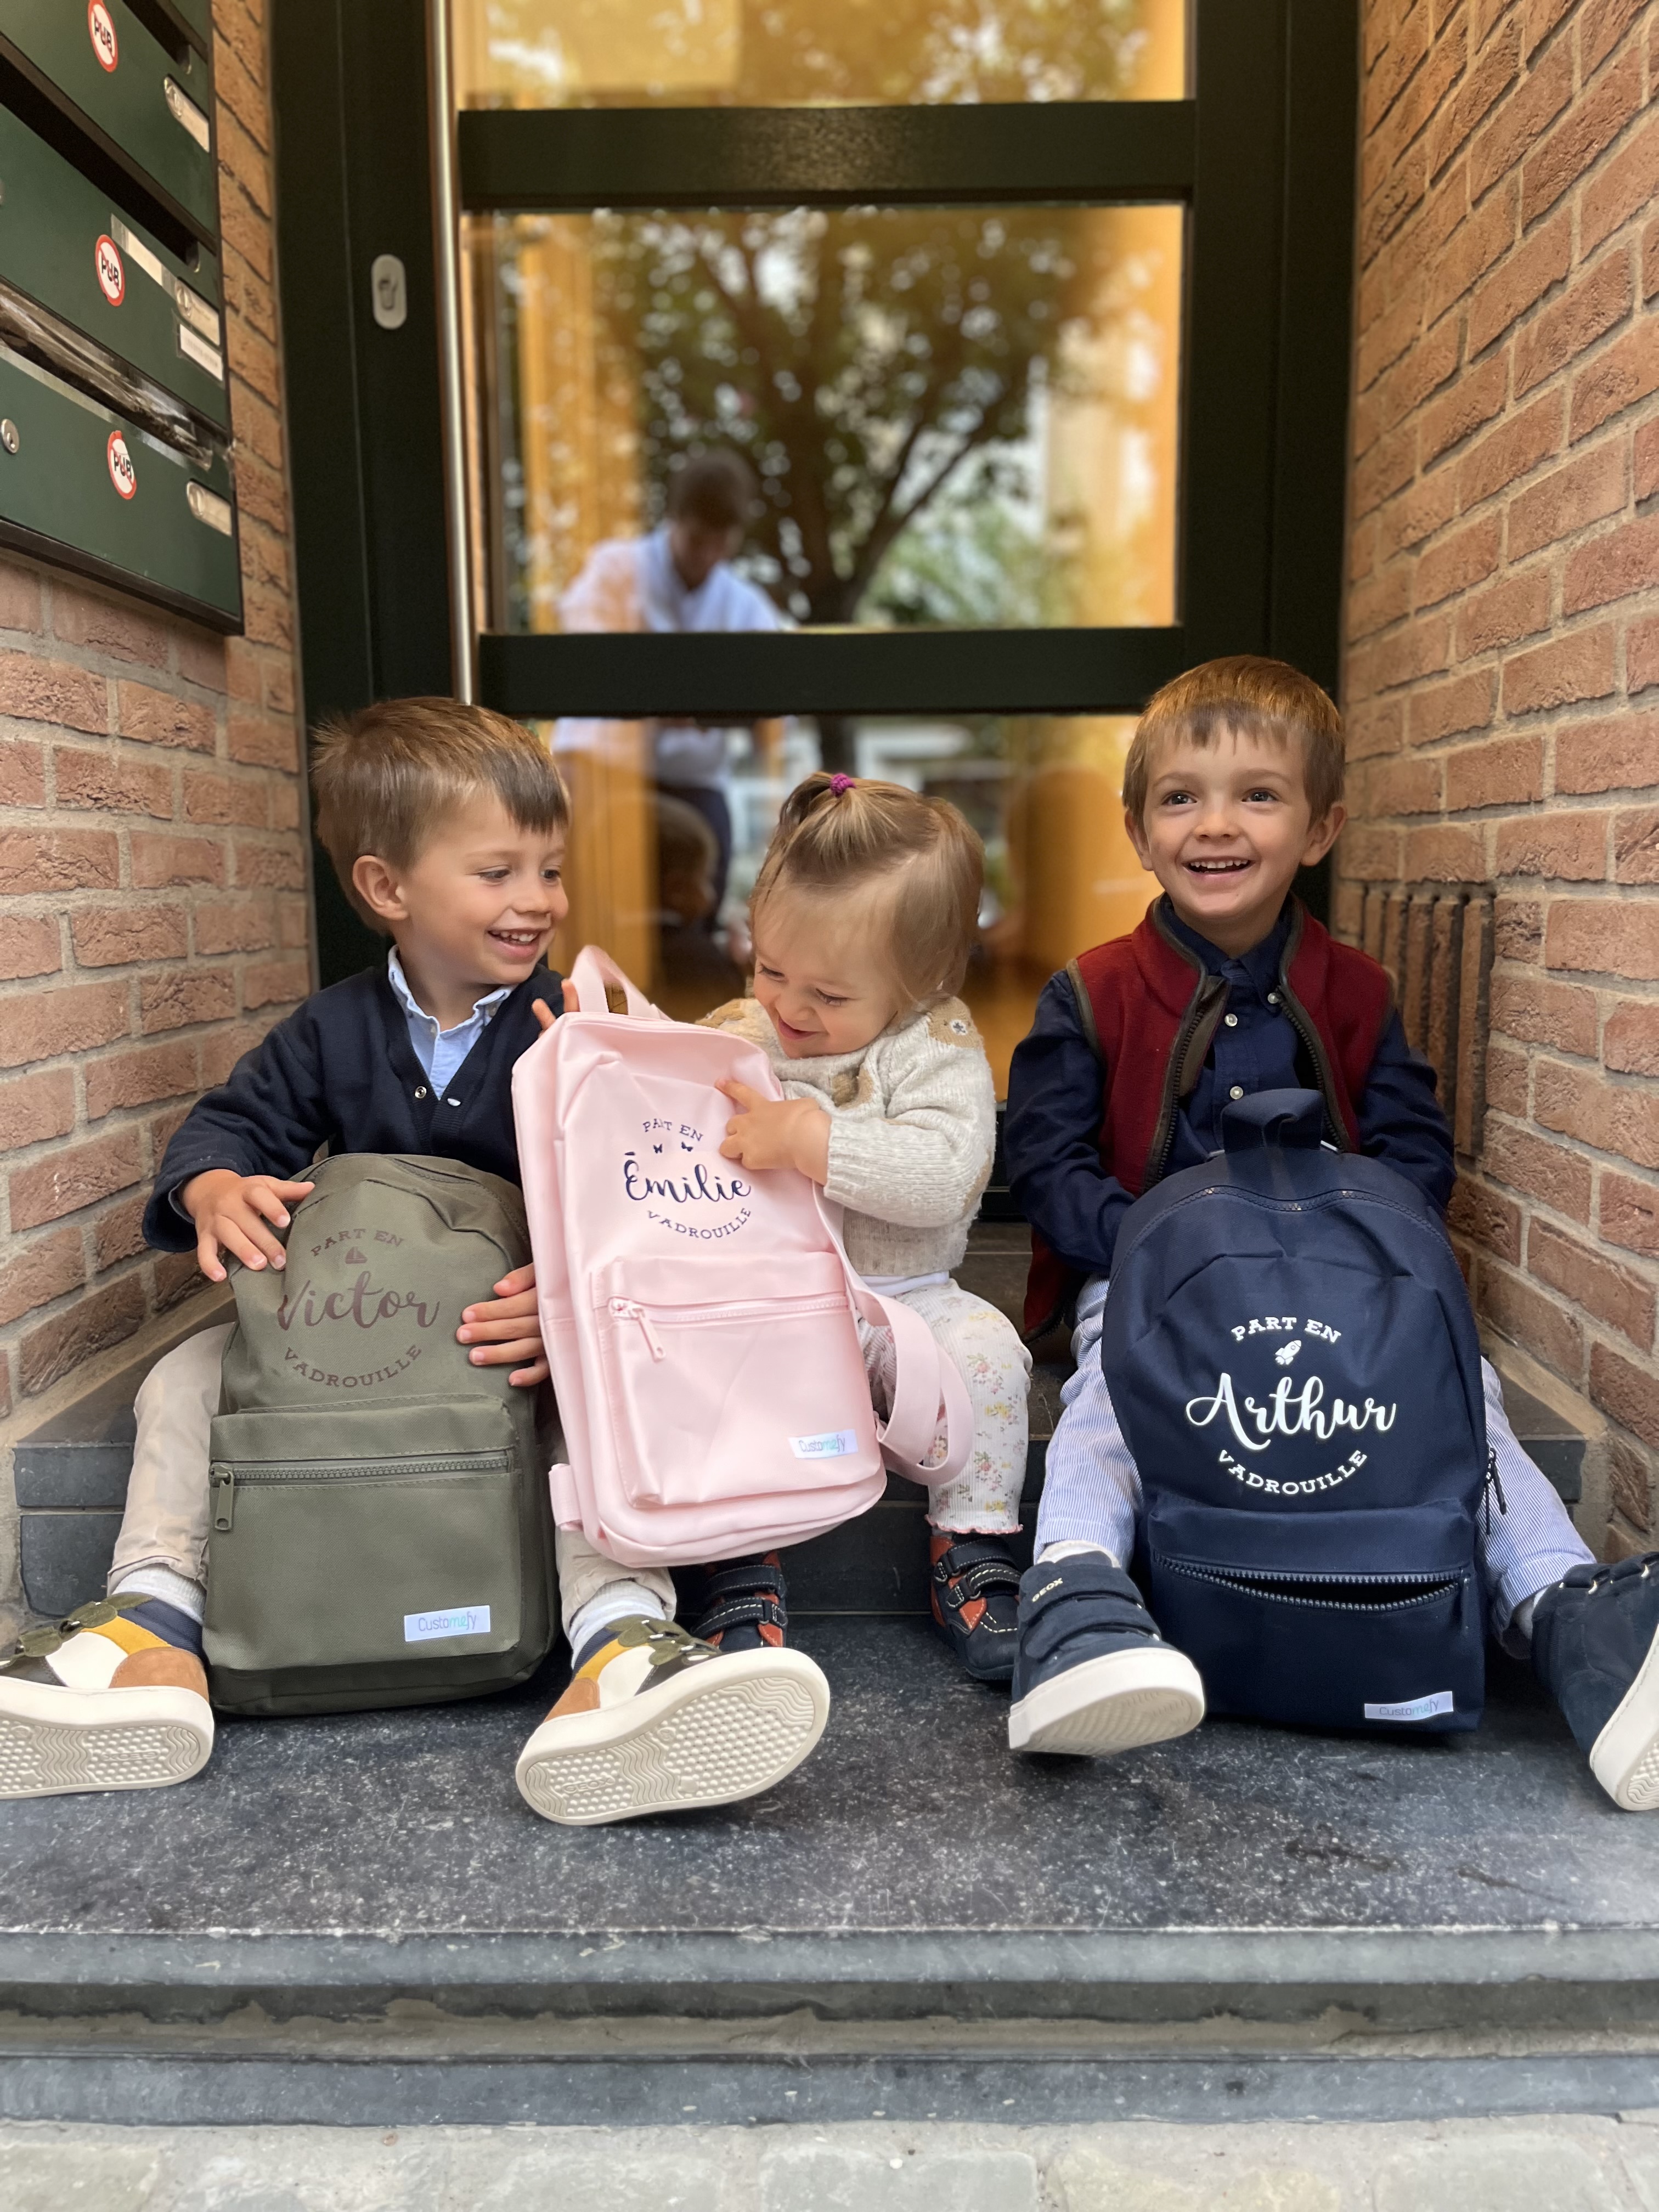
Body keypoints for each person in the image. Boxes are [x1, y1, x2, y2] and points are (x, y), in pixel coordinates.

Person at [0, 698, 828, 1824]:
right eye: (497, 872)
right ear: (387, 888)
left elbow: (646, 1199)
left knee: (584, 1406)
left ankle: (623, 1645)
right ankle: (150, 1626)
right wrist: (214, 1187)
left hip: (507, 1335)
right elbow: (230, 1126)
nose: (540, 899)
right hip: (361, 1334)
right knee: (183, 1379)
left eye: (549, 869)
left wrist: (573, 1306)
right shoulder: (330, 1033)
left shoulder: (573, 1029)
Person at [1001, 654, 1659, 1814]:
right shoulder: (1090, 991)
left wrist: (1356, 1249)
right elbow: (1045, 1163)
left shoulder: (1355, 988)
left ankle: (1563, 1612)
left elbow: (1412, 1146)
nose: (1215, 824)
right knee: (1111, 1393)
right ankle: (1077, 1595)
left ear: (1319, 829)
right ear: (1138, 831)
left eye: (1256, 795)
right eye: (1180, 798)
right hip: (1142, 1285)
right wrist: (1150, 1249)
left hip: (1338, 1292)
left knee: (1464, 1390)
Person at [707, 772, 1033, 1681]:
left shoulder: (936, 1045)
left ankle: (971, 1544)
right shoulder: (742, 1029)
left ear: (919, 983)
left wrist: (816, 1141)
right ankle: (738, 1557)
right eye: (770, 969)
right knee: (713, 1377)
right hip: (767, 1298)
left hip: (905, 1297)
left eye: (828, 993)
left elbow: (945, 1175)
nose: (789, 1007)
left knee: (989, 1354)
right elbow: (663, 1101)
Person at [558, 449, 785, 928]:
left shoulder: (746, 605)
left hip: (691, 780)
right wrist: (702, 703)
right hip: (600, 766)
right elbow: (591, 667)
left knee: (701, 901)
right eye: (698, 540)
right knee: (572, 895)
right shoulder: (613, 569)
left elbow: (771, 700)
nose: (707, 555)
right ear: (673, 520)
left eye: (720, 543)